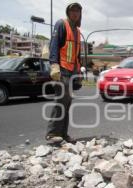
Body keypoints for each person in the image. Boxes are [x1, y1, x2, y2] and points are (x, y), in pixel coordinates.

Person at [46, 2, 82, 144]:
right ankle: (52, 133)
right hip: (61, 70)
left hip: (71, 72)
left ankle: (63, 134)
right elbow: (54, 45)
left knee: (67, 102)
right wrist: (54, 65)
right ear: (68, 12)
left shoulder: (78, 31)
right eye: (72, 10)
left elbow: (77, 55)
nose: (75, 13)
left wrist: (78, 74)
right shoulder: (61, 24)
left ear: (80, 14)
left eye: (77, 11)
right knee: (61, 100)